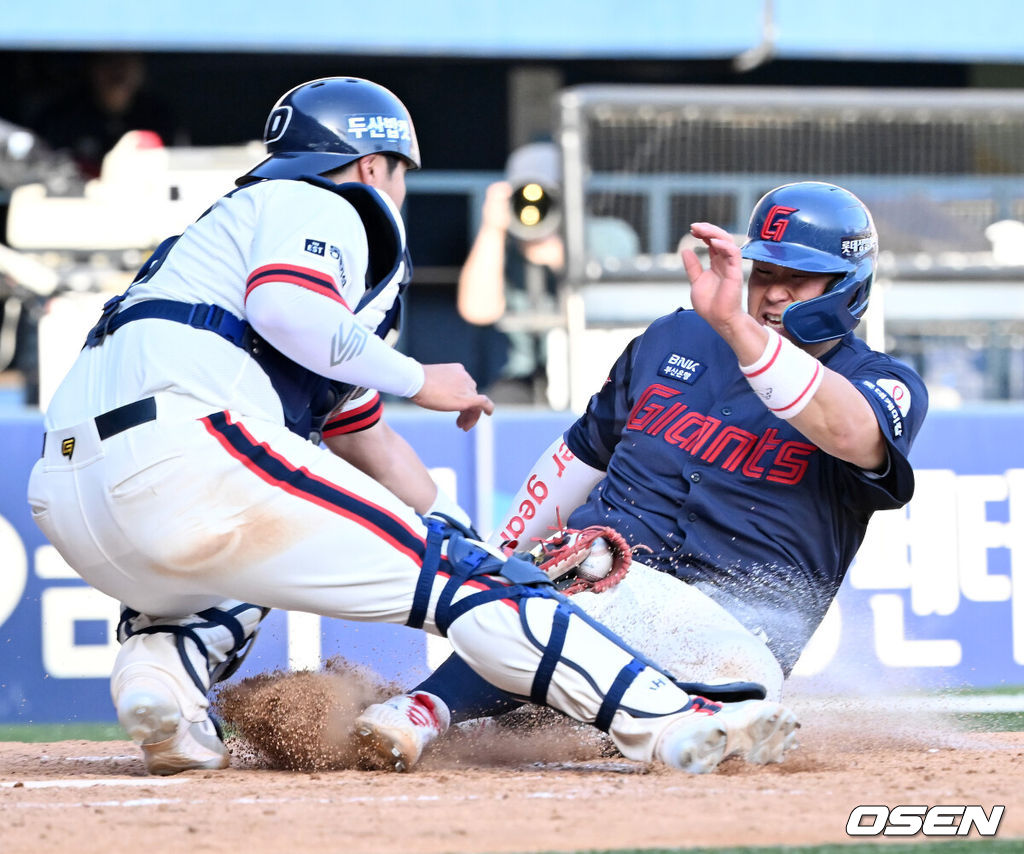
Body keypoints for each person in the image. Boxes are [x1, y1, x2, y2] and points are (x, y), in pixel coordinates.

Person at [26, 77, 796, 777]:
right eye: (399, 169)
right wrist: (422, 380)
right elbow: (288, 309)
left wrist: (452, 524)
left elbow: (361, 436)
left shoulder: (215, 236)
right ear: (371, 164)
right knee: (476, 586)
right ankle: (665, 720)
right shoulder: (322, 201)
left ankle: (156, 682)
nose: (398, 186)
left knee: (240, 579)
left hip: (76, 497)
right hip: (190, 451)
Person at [357, 181, 928, 771]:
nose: (774, 292)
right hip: (593, 583)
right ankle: (422, 710)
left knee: (735, 676)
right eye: (764, 272)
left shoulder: (883, 385)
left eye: (799, 278)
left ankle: (690, 716)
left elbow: (848, 433)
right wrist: (501, 568)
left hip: (726, 634)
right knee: (581, 573)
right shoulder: (673, 337)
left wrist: (737, 328)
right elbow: (579, 456)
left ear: (848, 286)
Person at [457, 141, 638, 403]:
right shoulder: (504, 246)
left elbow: (618, 307)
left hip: (598, 369)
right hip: (528, 373)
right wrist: (492, 229)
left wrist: (563, 260)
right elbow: (477, 311)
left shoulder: (610, 235)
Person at [30, 52, 185, 179]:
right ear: (92, 68)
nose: (118, 70)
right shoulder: (61, 118)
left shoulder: (159, 117)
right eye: (108, 60)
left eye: (126, 62)